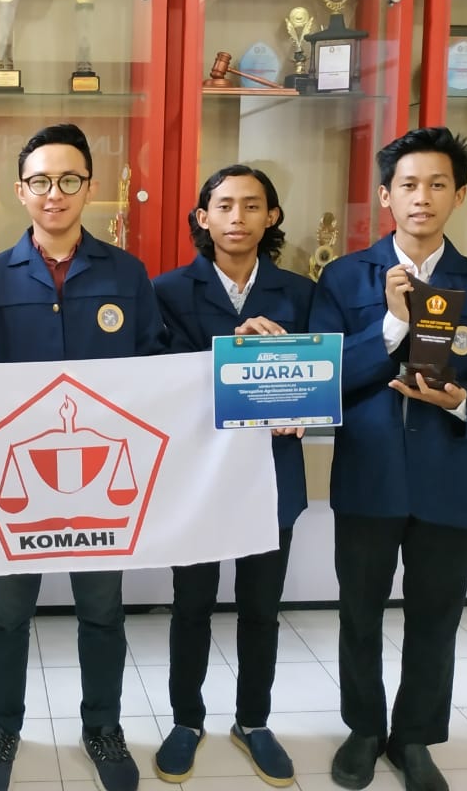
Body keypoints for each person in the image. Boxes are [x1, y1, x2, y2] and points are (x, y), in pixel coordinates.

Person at [308, 127, 467, 791]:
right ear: (386, 196)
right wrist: (391, 326)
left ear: (459, 195)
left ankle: (413, 739)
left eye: (438, 184)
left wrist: (463, 401)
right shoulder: (345, 277)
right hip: (369, 473)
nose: (422, 197)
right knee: (359, 613)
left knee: (436, 619)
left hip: (449, 478)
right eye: (408, 185)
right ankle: (364, 729)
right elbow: (323, 377)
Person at [0, 123, 167, 791]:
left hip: (100, 480)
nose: (55, 193)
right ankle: (1, 727)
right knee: (6, 613)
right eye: (41, 181)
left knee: (102, 610)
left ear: (90, 188)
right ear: (20, 191)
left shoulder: (127, 274)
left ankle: (102, 726)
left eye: (69, 180)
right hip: (19, 479)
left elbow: (155, 367)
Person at [151, 165, 313, 788]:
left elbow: (321, 375)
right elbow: (158, 380)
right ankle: (186, 721)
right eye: (223, 205)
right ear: (203, 217)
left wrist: (303, 404)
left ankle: (253, 721)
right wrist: (235, 346)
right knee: (191, 606)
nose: (237, 217)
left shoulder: (301, 293)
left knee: (261, 610)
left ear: (272, 216)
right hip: (198, 473)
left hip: (272, 472)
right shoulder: (166, 291)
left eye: (251, 205)